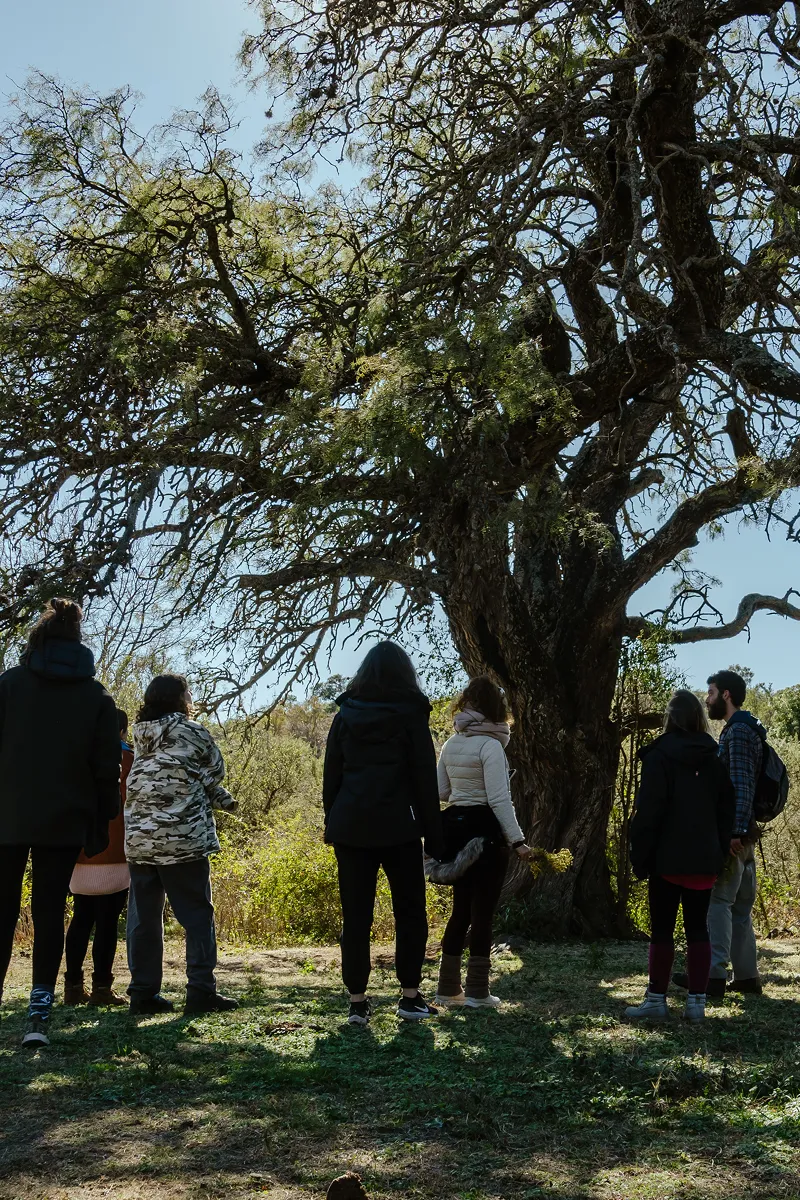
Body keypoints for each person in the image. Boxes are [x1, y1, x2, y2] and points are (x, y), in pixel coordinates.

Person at [0, 598, 121, 1048]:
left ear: (38, 639)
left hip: (7, 815)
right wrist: (103, 816)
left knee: (2, 909)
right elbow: (106, 766)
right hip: (65, 817)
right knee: (51, 910)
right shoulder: (96, 696)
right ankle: (38, 1014)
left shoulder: (8, 685)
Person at [323, 642, 444, 1025]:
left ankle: (357, 1003)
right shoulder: (411, 716)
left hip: (351, 827)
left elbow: (332, 778)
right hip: (400, 828)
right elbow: (425, 779)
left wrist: (336, 821)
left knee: (355, 916)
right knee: (410, 913)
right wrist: (434, 836)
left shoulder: (344, 716)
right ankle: (409, 998)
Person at [124, 673, 238, 1016]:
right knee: (197, 915)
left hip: (141, 839)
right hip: (182, 838)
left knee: (144, 919)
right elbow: (215, 769)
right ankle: (201, 991)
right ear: (182, 699)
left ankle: (143, 993)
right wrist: (203, 783)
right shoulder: (192, 731)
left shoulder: (140, 736)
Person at [626, 690, 735, 1023]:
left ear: (670, 718)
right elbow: (725, 811)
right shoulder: (715, 759)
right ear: (699, 718)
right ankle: (696, 1004)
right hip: (704, 860)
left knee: (662, 929)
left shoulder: (659, 756)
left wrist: (640, 857)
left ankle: (657, 1000)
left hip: (666, 860)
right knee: (698, 929)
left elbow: (649, 813)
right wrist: (718, 853)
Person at [432, 677, 531, 1009]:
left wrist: (464, 785)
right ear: (496, 709)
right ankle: (477, 991)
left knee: (460, 911)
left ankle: (447, 989)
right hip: (486, 834)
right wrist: (517, 841)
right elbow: (500, 799)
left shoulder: (451, 743)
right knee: (483, 914)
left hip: (456, 834)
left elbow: (442, 793)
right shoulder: (490, 746)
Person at [673, 670, 765, 998]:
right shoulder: (746, 728)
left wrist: (734, 832)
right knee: (740, 906)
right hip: (748, 832)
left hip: (738, 833)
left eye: (711, 693)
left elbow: (739, 785)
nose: (707, 699)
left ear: (726, 695)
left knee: (719, 900)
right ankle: (746, 977)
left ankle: (713, 975)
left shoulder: (738, 731)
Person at [64, 708, 133, 1007]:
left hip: (79, 853)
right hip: (117, 851)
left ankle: (72, 987)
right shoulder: (130, 760)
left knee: (81, 919)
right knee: (107, 923)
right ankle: (102, 989)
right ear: (122, 731)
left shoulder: (75, 760)